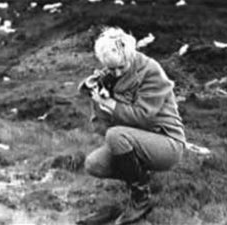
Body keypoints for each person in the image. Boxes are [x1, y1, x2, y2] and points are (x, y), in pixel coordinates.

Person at [78, 27, 186, 225]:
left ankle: (140, 201)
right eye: (112, 69)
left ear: (130, 55)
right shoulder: (110, 77)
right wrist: (99, 101)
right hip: (137, 140)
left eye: (121, 67)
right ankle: (138, 179)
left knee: (116, 136)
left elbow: (145, 118)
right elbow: (102, 127)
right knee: (94, 164)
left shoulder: (150, 71)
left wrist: (112, 105)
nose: (117, 73)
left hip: (167, 143)